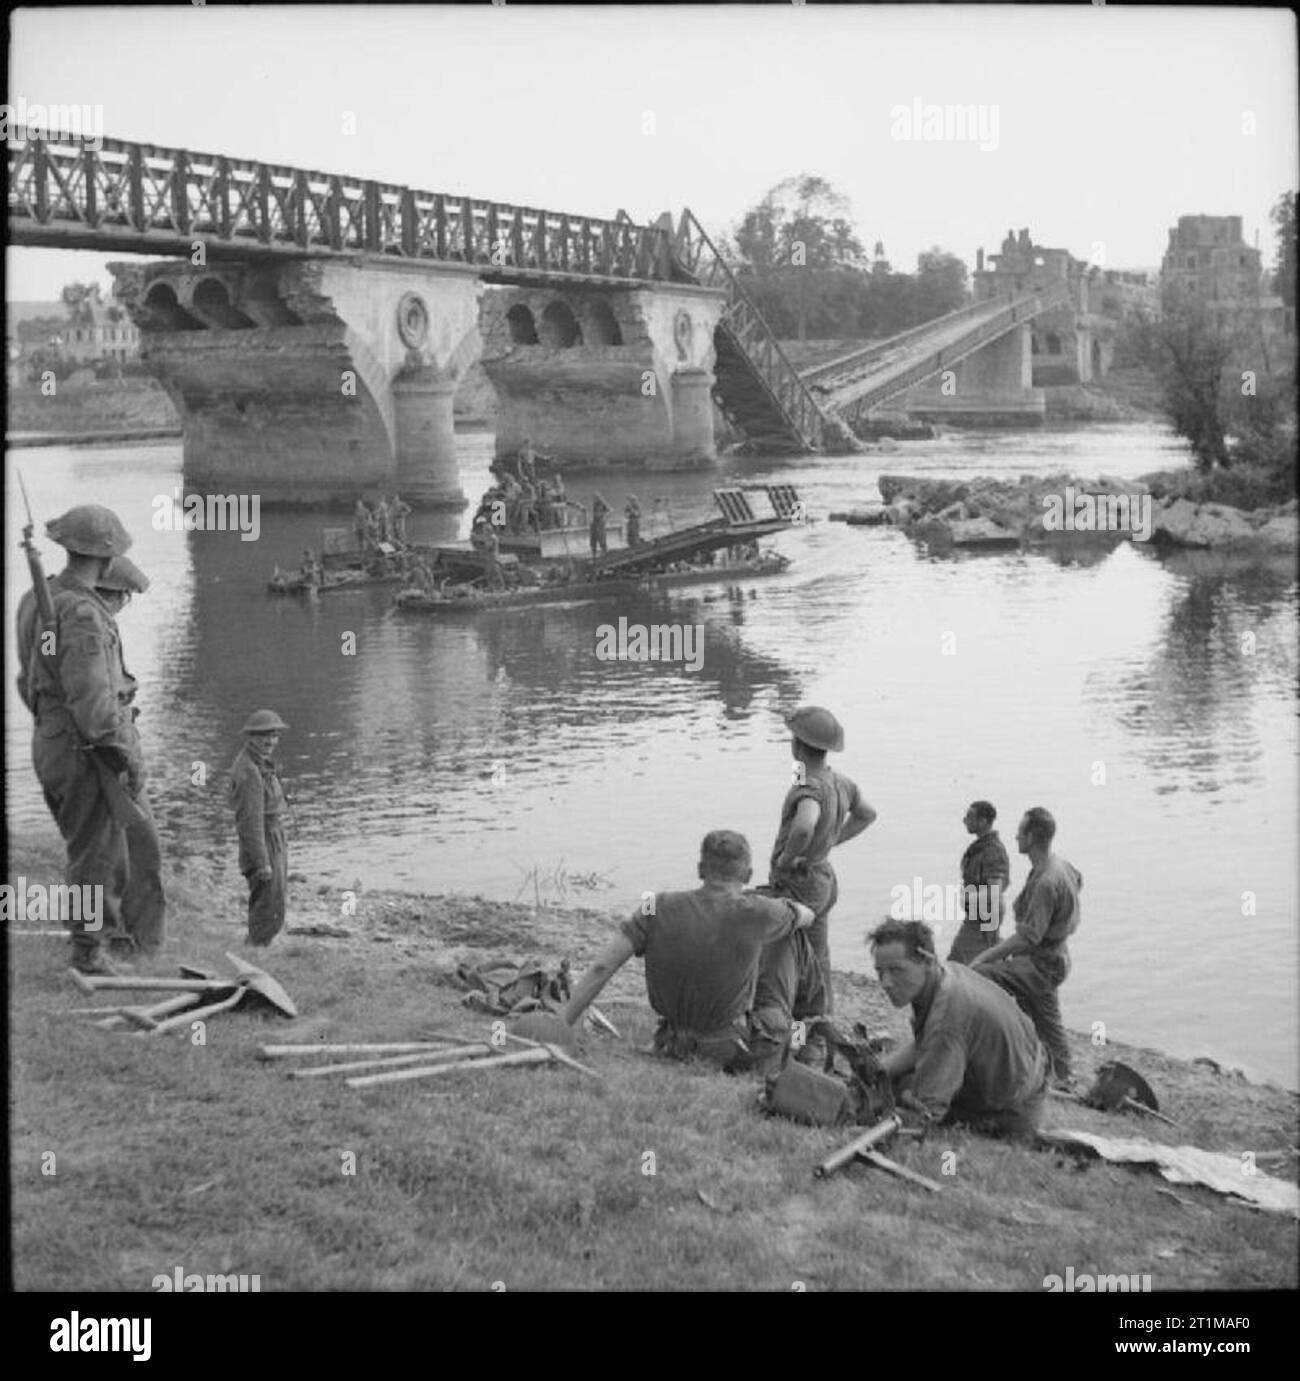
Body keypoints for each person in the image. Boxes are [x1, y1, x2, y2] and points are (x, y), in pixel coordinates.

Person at [562, 830, 817, 1074]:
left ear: (700, 870)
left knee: (768, 945)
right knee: (795, 939)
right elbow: (808, 915)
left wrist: (560, 1025)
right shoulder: (759, 911)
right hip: (729, 1048)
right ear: (748, 875)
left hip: (671, 1040)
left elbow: (601, 967)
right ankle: (801, 1045)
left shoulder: (655, 904)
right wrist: (774, 904)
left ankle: (802, 1046)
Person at [15, 504, 147, 975]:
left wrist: (54, 727)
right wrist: (127, 754)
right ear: (107, 558)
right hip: (85, 749)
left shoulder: (37, 598)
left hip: (49, 740)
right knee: (96, 853)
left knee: (85, 847)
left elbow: (27, 679)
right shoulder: (85, 616)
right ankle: (89, 953)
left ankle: (96, 941)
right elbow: (94, 705)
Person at [870, 918, 1048, 1140]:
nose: (886, 982)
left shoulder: (946, 1017)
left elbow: (926, 1115)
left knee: (893, 1094)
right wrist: (877, 1070)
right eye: (880, 972)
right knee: (888, 1080)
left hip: (1012, 1109)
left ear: (926, 960)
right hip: (1028, 1072)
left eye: (896, 970)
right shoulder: (946, 973)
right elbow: (925, 1042)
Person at [766, 706, 876, 1061]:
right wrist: (830, 844)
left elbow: (803, 825)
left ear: (798, 746)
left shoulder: (808, 785)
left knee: (796, 965)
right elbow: (867, 815)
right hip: (823, 879)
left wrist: (786, 858)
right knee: (819, 960)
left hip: (799, 884)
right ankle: (822, 1038)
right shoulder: (840, 782)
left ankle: (803, 1043)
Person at [971, 807, 1081, 1087]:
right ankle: (1058, 1071)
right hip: (1054, 956)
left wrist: (984, 957)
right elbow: (1078, 882)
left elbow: (1026, 938)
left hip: (1041, 963)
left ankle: (987, 1049)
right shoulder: (1060, 866)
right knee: (1044, 1017)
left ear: (1031, 837)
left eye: (1020, 831)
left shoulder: (1045, 881)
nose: (1016, 836)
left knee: (981, 977)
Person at [93, 555, 167, 960]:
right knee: (143, 849)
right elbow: (99, 706)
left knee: (105, 851)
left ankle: (108, 938)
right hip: (110, 749)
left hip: (100, 746)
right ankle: (141, 944)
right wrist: (129, 760)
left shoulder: (86, 623)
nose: (126, 604)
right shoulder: (93, 629)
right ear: (117, 595)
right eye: (126, 597)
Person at [229, 710, 291, 947]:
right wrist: (261, 861)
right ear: (250, 737)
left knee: (273, 897)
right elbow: (250, 822)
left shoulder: (258, 764)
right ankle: (256, 947)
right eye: (264, 735)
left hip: (272, 835)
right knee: (267, 898)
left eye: (274, 735)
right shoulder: (249, 771)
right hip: (263, 839)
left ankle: (259, 944)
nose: (270, 741)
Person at [946, 800, 1011, 964]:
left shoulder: (991, 851)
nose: (964, 820)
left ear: (983, 821)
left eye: (970, 817)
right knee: (977, 960)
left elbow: (995, 890)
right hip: (980, 916)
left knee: (958, 963)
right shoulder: (982, 846)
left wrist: (967, 899)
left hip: (983, 918)